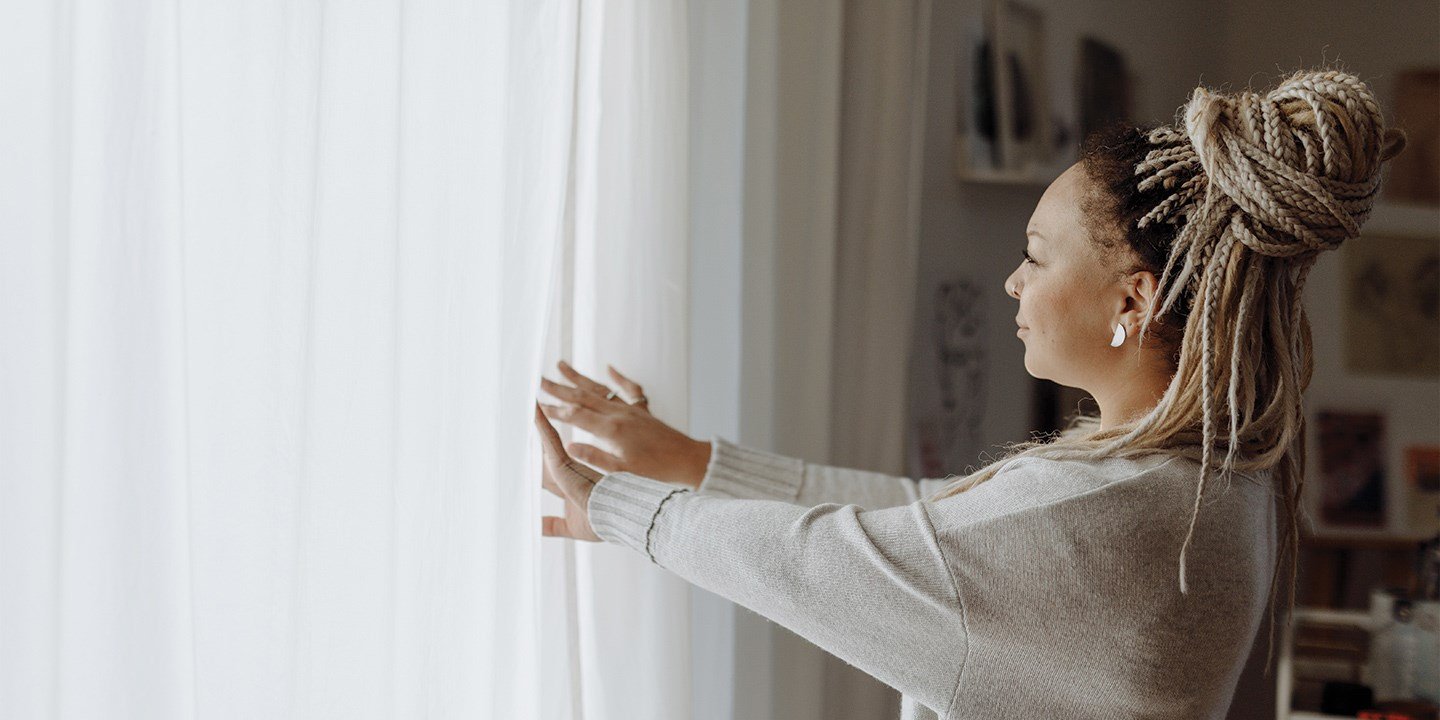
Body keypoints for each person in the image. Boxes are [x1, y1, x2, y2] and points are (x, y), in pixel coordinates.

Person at [533, 68, 1408, 719]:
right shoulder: (1199, 474)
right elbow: (940, 526)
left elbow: (844, 562)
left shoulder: (1124, 506)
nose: (1011, 283)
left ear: (1132, 300)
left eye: (1034, 253)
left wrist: (621, 508)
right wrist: (693, 465)